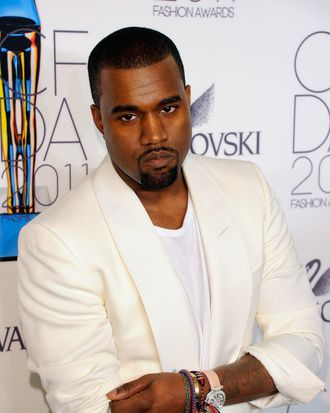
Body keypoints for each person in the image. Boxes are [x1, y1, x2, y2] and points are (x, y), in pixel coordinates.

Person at [17, 27, 325, 413]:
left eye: (168, 108)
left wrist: (196, 389)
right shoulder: (54, 241)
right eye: (128, 116)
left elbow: (306, 344)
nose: (154, 134)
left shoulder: (248, 188)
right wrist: (243, 380)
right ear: (99, 120)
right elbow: (89, 406)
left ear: (188, 99)